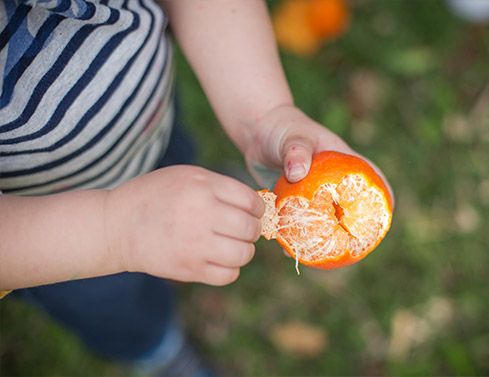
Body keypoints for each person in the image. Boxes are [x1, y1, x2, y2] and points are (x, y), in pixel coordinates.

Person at [0, 0, 389, 375]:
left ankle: (201, 206)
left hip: (151, 124)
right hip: (64, 239)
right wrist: (115, 231)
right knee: (118, 309)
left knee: (181, 160)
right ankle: (158, 352)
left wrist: (265, 114)